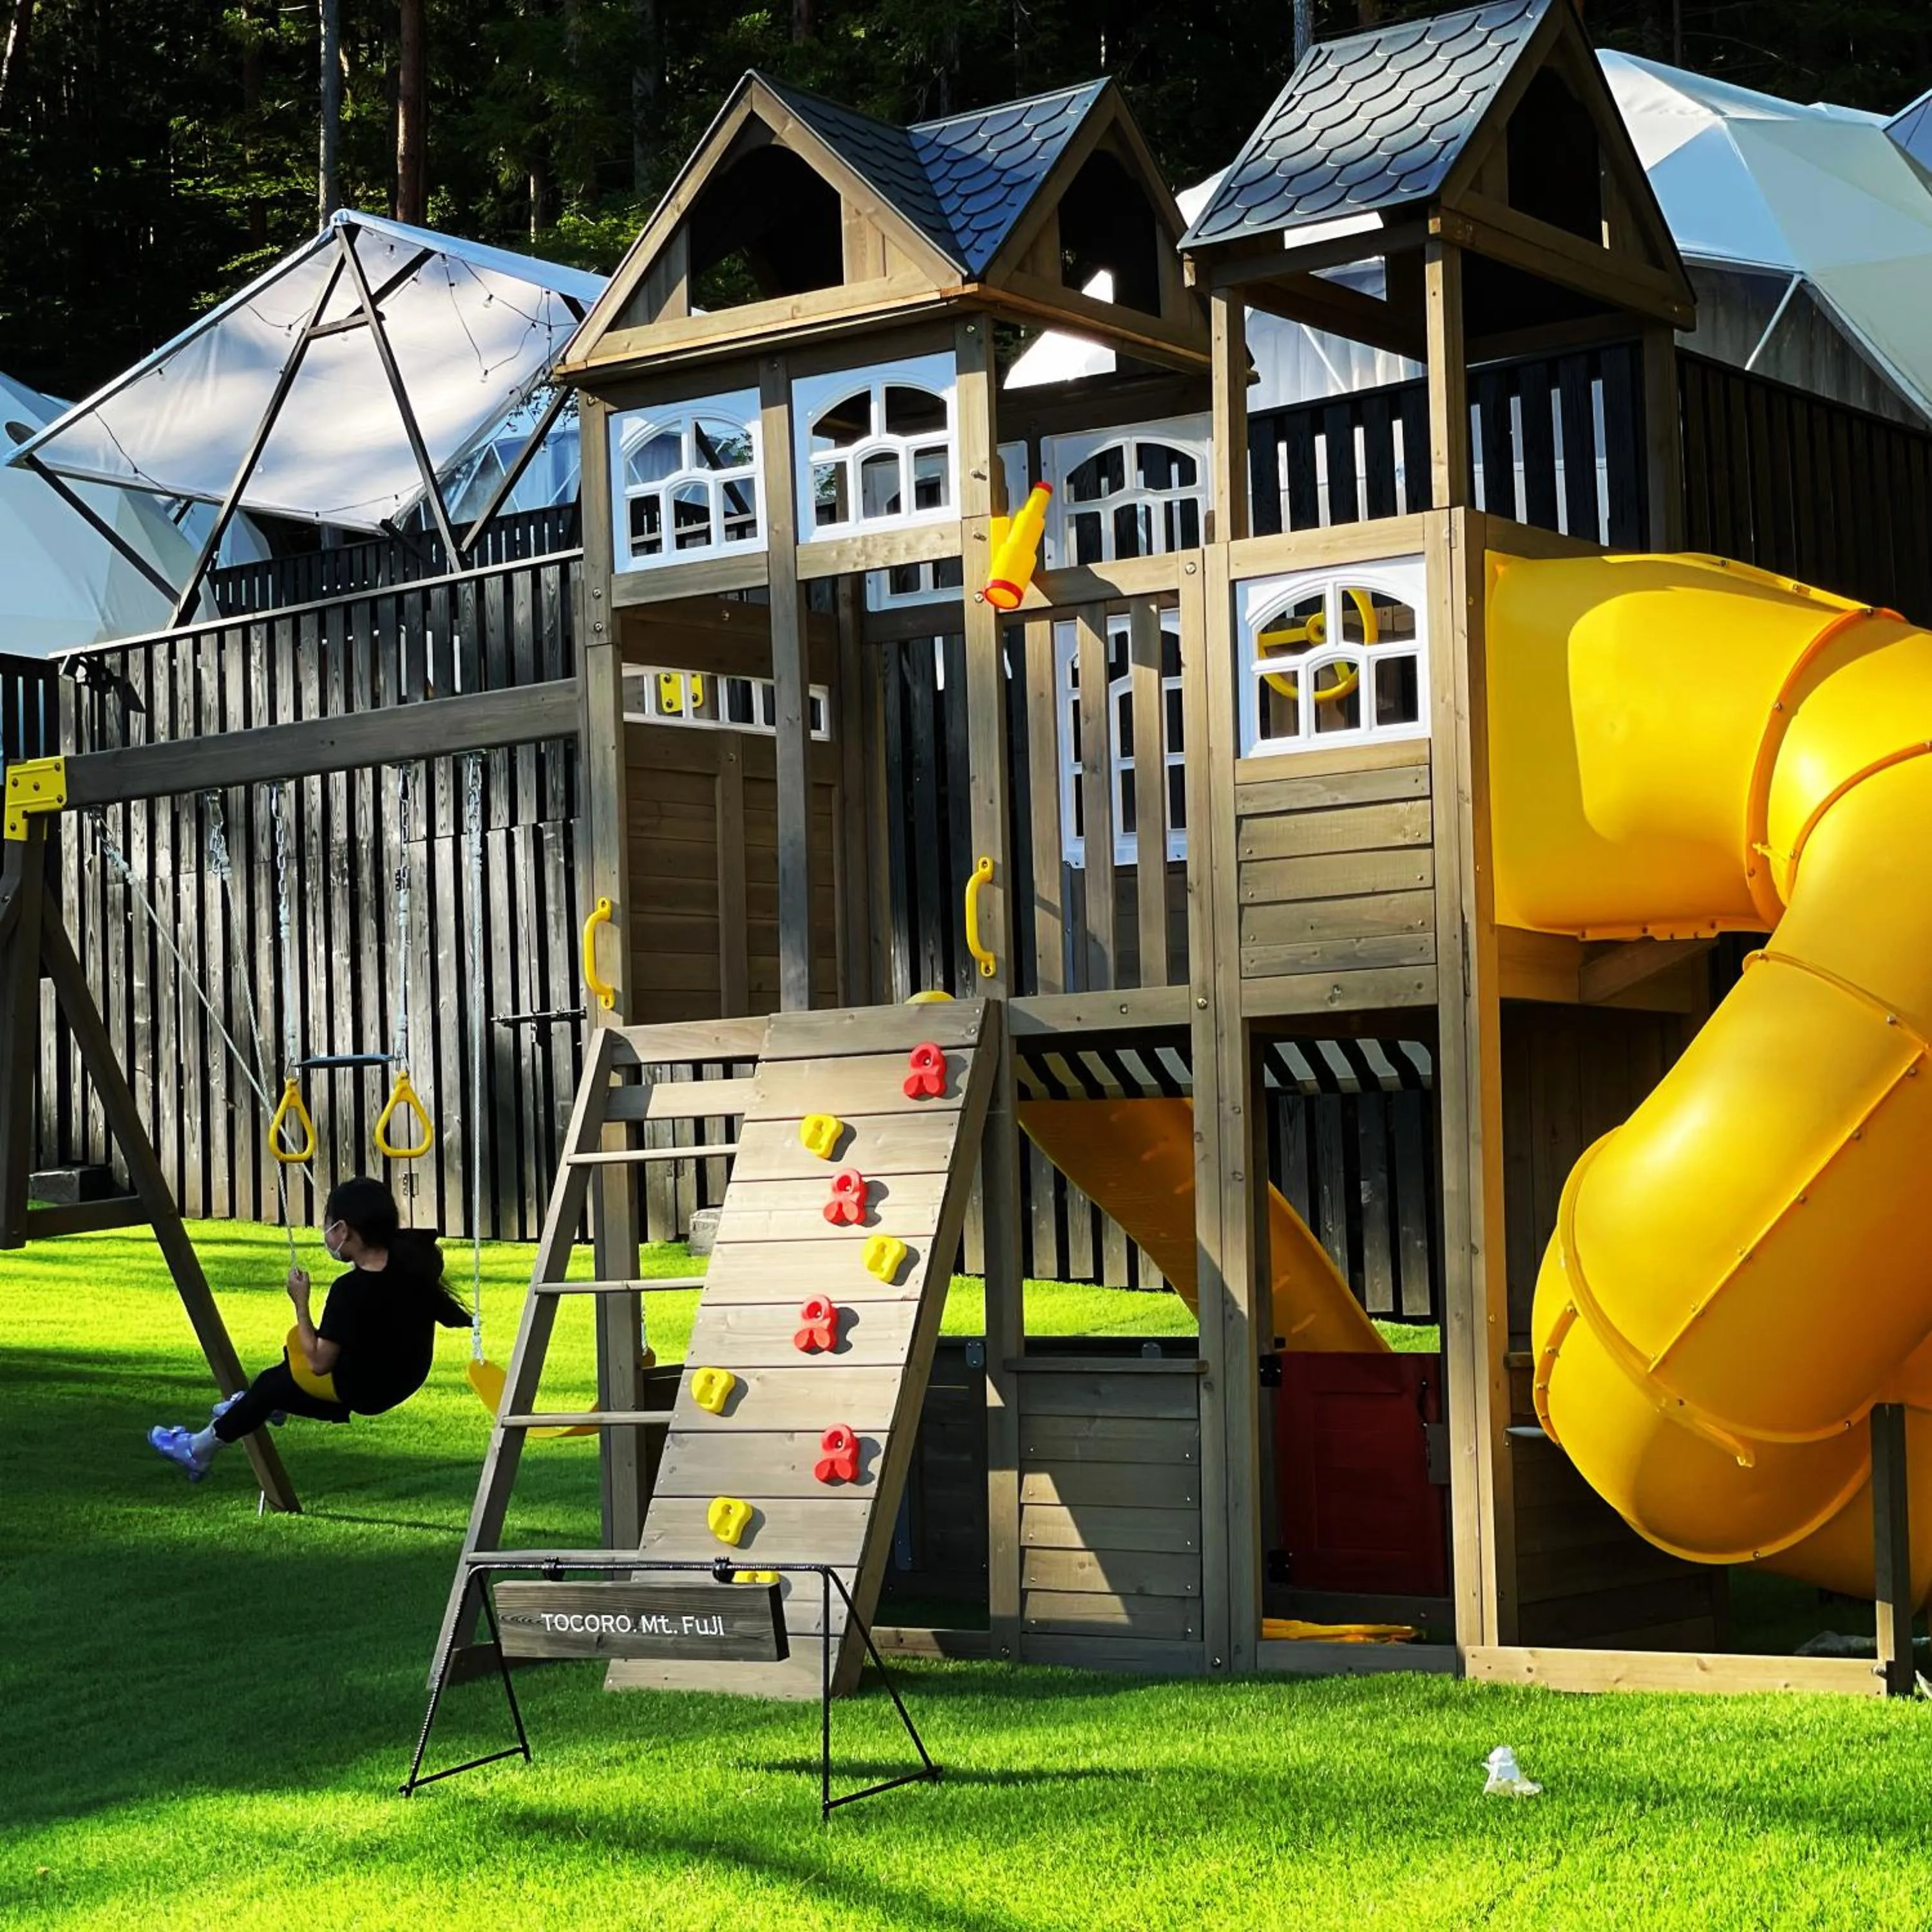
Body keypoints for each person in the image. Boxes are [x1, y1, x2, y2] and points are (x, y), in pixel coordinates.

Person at [148, 1177, 470, 1482]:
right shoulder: (413, 1257)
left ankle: (197, 1450)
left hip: (366, 1390)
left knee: (276, 1382)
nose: (326, 1233)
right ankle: (256, 1406)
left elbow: (319, 1363)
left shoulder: (352, 1290)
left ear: (342, 1230)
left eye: (328, 1224)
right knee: (273, 1382)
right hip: (403, 1376)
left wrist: (300, 1302)